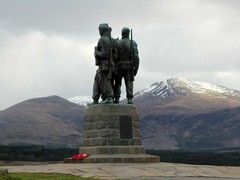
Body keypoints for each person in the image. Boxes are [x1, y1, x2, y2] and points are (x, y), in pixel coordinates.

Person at [90, 23, 114, 104]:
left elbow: (105, 54)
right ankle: (95, 99)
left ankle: (109, 97)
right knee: (97, 80)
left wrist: (96, 52)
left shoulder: (103, 40)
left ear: (101, 30)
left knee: (104, 80)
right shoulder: (108, 39)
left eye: (99, 30)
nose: (99, 32)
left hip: (105, 65)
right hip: (103, 65)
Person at [114, 27, 139, 104]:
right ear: (128, 33)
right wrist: (136, 67)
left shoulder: (117, 43)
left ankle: (117, 98)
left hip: (119, 66)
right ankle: (129, 99)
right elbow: (136, 56)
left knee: (118, 83)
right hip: (129, 66)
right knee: (129, 83)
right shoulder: (133, 43)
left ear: (122, 33)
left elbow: (115, 56)